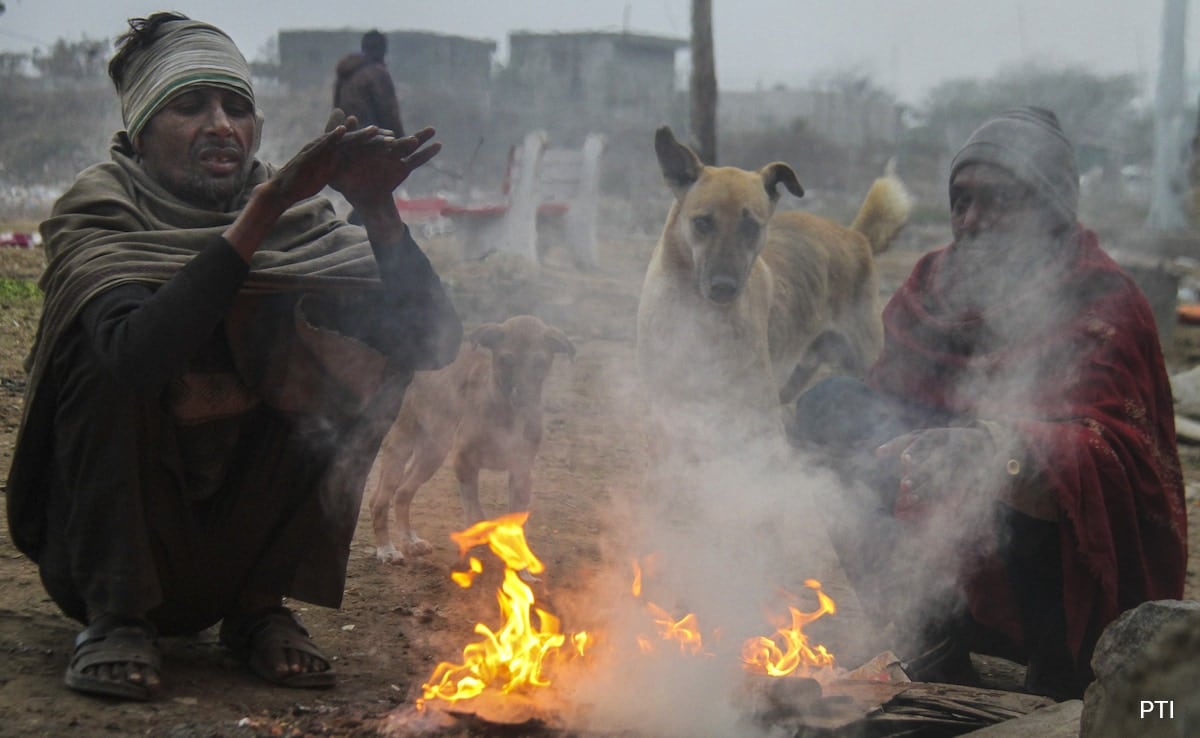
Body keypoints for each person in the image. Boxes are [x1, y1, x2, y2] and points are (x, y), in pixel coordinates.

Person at [4, 12, 462, 702]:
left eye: (238, 107)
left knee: (362, 356)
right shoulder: (100, 210)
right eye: (190, 105)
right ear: (139, 130)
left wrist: (377, 212)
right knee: (102, 354)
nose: (222, 125)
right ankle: (118, 617)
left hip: (229, 555)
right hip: (103, 557)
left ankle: (258, 608)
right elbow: (135, 359)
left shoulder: (298, 225)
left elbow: (428, 344)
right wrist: (262, 209)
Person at [790, 107, 1188, 700]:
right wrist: (909, 448)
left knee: (1022, 465)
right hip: (942, 551)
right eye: (961, 200)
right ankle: (934, 637)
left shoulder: (1101, 298)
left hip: (1061, 577)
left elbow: (1117, 458)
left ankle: (1063, 670)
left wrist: (992, 448)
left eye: (995, 201)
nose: (970, 220)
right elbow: (887, 407)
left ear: (1048, 208)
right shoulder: (931, 287)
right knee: (831, 408)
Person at [334, 29, 404, 138]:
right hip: (371, 142)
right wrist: (402, 147)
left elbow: (336, 112)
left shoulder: (346, 74)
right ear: (383, 50)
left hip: (346, 143)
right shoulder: (378, 74)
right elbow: (390, 115)